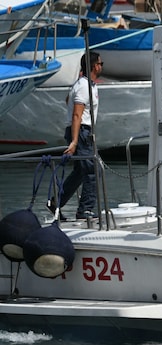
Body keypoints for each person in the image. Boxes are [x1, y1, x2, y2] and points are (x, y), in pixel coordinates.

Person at [49, 51, 103, 220]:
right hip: (81, 132)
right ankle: (85, 210)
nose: (102, 66)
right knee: (94, 170)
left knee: (81, 171)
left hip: (83, 131)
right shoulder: (83, 86)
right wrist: (73, 141)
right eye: (101, 64)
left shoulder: (84, 85)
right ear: (94, 66)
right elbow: (76, 115)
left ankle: (55, 202)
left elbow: (68, 101)